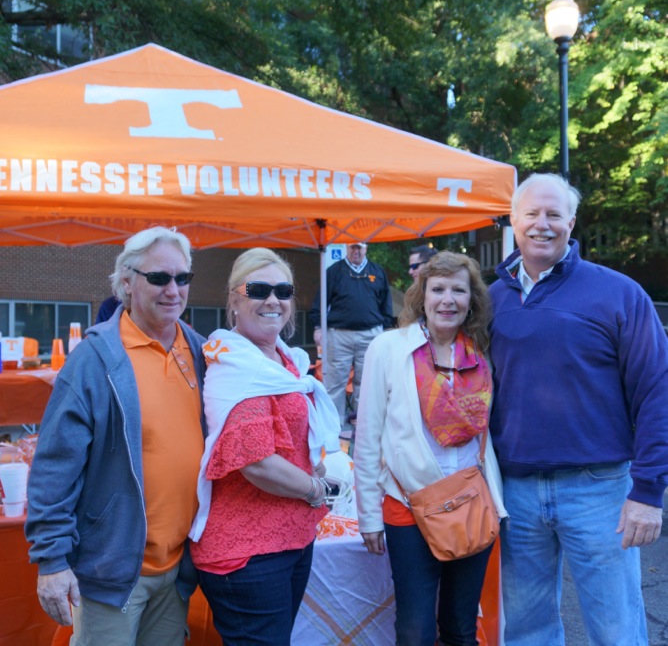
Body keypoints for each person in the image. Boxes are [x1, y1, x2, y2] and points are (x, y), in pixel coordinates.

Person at [489, 173, 668, 645]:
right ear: (513, 220)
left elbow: (657, 389)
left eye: (553, 214)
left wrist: (648, 491)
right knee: (527, 631)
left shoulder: (619, 294)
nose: (542, 224)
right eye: (532, 214)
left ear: (571, 221)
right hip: (516, 493)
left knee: (617, 630)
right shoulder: (490, 301)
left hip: (600, 490)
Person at [26, 226, 205, 646]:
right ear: (127, 282)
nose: (173, 289)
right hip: (111, 572)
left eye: (182, 278)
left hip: (177, 570)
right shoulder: (94, 360)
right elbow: (54, 466)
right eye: (159, 278)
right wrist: (51, 559)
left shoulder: (200, 350)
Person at [188, 247, 341, 646]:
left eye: (283, 290)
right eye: (258, 289)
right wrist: (316, 490)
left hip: (288, 539)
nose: (273, 300)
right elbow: (257, 463)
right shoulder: (237, 365)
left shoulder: (284, 361)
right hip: (249, 555)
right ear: (234, 300)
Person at [354, 251, 507, 646]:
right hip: (408, 506)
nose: (448, 299)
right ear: (422, 295)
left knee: (460, 626)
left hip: (471, 502)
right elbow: (367, 438)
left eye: (459, 290)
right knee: (415, 629)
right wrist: (368, 515)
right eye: (438, 289)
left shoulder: (480, 353)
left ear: (471, 300)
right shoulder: (388, 348)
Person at [309, 242, 393, 422]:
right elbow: (321, 301)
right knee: (335, 384)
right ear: (347, 248)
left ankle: (363, 425)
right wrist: (317, 327)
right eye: (352, 247)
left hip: (371, 335)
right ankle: (333, 427)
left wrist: (386, 330)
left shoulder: (377, 271)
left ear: (366, 248)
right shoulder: (334, 271)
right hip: (339, 335)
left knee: (367, 384)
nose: (356, 251)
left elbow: (386, 303)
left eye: (359, 247)